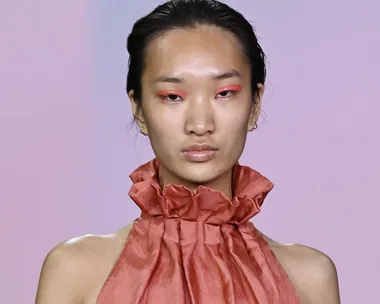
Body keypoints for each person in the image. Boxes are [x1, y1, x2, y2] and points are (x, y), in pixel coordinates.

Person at [35, 0, 340, 303]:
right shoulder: (74, 271)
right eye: (172, 96)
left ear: (254, 104)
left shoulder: (310, 278)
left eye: (224, 93)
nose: (200, 124)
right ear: (138, 108)